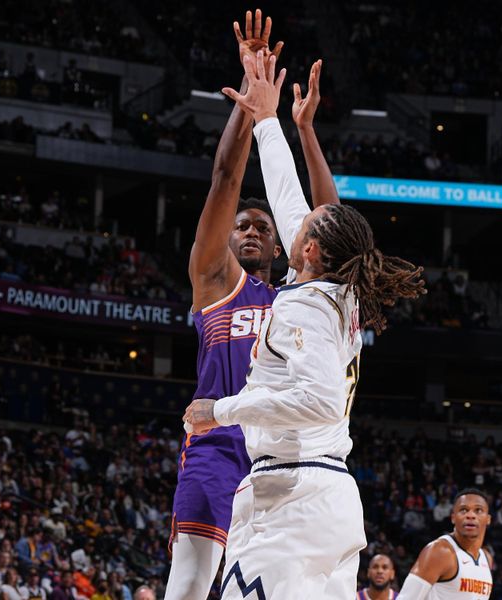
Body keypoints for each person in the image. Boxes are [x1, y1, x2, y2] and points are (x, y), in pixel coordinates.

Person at [185, 50, 425, 598]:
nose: (297, 217)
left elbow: (316, 399)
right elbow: (291, 196)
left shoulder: (302, 303)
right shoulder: (335, 289)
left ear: (309, 248)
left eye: (306, 226)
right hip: (328, 495)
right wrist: (271, 121)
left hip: (290, 496)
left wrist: (219, 410)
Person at [165, 9, 339, 600]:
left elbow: (330, 224)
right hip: (217, 448)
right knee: (190, 587)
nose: (250, 230)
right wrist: (250, 107)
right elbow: (222, 181)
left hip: (285, 456)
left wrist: (301, 129)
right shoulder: (216, 281)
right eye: (243, 225)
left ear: (287, 242)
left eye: (263, 225)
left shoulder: (301, 293)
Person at [394, 489, 493, 600]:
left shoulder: (486, 558)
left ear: (488, 519)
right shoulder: (440, 551)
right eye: (463, 510)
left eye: (478, 510)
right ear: (453, 518)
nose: (470, 515)